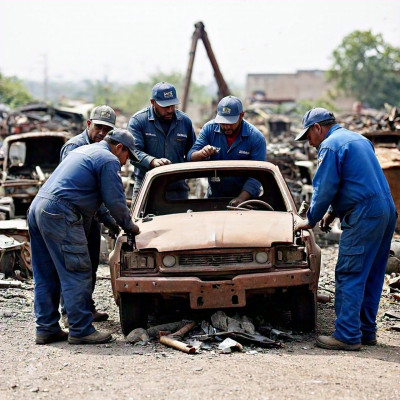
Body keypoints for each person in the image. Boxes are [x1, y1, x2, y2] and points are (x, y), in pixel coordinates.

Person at [294, 108, 397, 351]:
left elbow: (325, 187)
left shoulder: (329, 146)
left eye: (308, 136)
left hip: (364, 213)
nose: (309, 143)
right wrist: (332, 213)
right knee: (371, 272)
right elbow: (355, 181)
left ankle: (348, 335)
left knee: (350, 272)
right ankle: (366, 331)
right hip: (386, 210)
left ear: (317, 128)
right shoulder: (359, 140)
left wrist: (310, 219)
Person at [28, 129, 140, 345]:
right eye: (128, 156)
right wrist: (129, 226)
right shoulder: (108, 160)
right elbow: (115, 200)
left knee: (46, 274)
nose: (126, 162)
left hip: (38, 208)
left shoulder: (85, 151)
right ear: (119, 148)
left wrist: (111, 223)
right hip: (61, 213)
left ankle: (46, 328)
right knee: (77, 270)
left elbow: (95, 200)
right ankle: (80, 329)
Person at [59, 105, 119, 326]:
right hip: (73, 215)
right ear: (88, 124)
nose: (102, 133)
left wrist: (108, 220)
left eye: (107, 130)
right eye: (99, 127)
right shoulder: (74, 147)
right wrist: (111, 219)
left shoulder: (105, 151)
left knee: (91, 263)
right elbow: (78, 190)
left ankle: (86, 307)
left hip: (91, 215)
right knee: (74, 264)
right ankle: (69, 312)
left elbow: (102, 192)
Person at [187, 95, 267, 206]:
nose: (227, 127)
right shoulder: (209, 130)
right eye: (223, 122)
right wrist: (201, 153)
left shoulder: (256, 138)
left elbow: (258, 175)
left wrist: (241, 199)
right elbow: (190, 156)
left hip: (246, 200)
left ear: (241, 116)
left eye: (231, 122)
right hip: (214, 198)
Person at [127, 81, 196, 199]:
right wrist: (152, 161)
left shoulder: (185, 122)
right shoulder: (138, 121)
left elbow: (192, 152)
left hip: (177, 190)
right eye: (165, 106)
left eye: (173, 105)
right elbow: (133, 153)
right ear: (153, 102)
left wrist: (200, 154)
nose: (170, 110)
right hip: (147, 187)